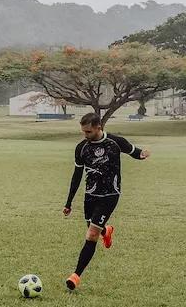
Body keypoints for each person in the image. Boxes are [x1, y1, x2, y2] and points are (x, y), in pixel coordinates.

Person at [62, 111, 149, 291]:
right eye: (83, 132)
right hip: (90, 195)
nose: (85, 135)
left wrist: (142, 154)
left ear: (98, 128)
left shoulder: (116, 142)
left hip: (110, 195)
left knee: (91, 234)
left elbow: (133, 151)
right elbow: (76, 176)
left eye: (88, 132)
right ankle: (107, 230)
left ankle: (75, 276)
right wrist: (68, 202)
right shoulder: (81, 148)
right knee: (93, 228)